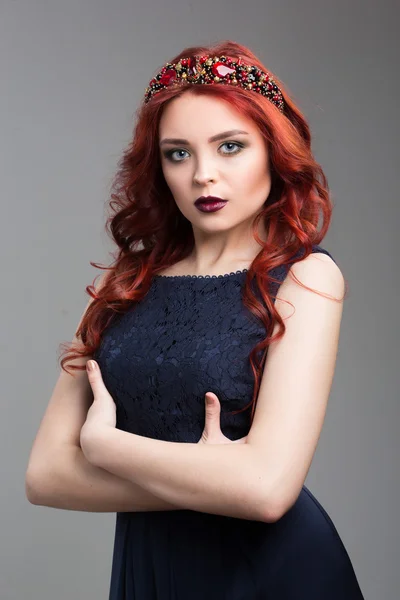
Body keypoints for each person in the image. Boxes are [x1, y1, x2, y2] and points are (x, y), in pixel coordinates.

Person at [26, 40, 365, 599]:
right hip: (151, 568)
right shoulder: (125, 283)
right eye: (178, 153)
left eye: (230, 147)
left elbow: (267, 491)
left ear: (273, 154)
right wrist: (211, 478)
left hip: (266, 573)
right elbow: (45, 476)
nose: (203, 174)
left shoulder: (307, 277)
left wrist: (112, 450)